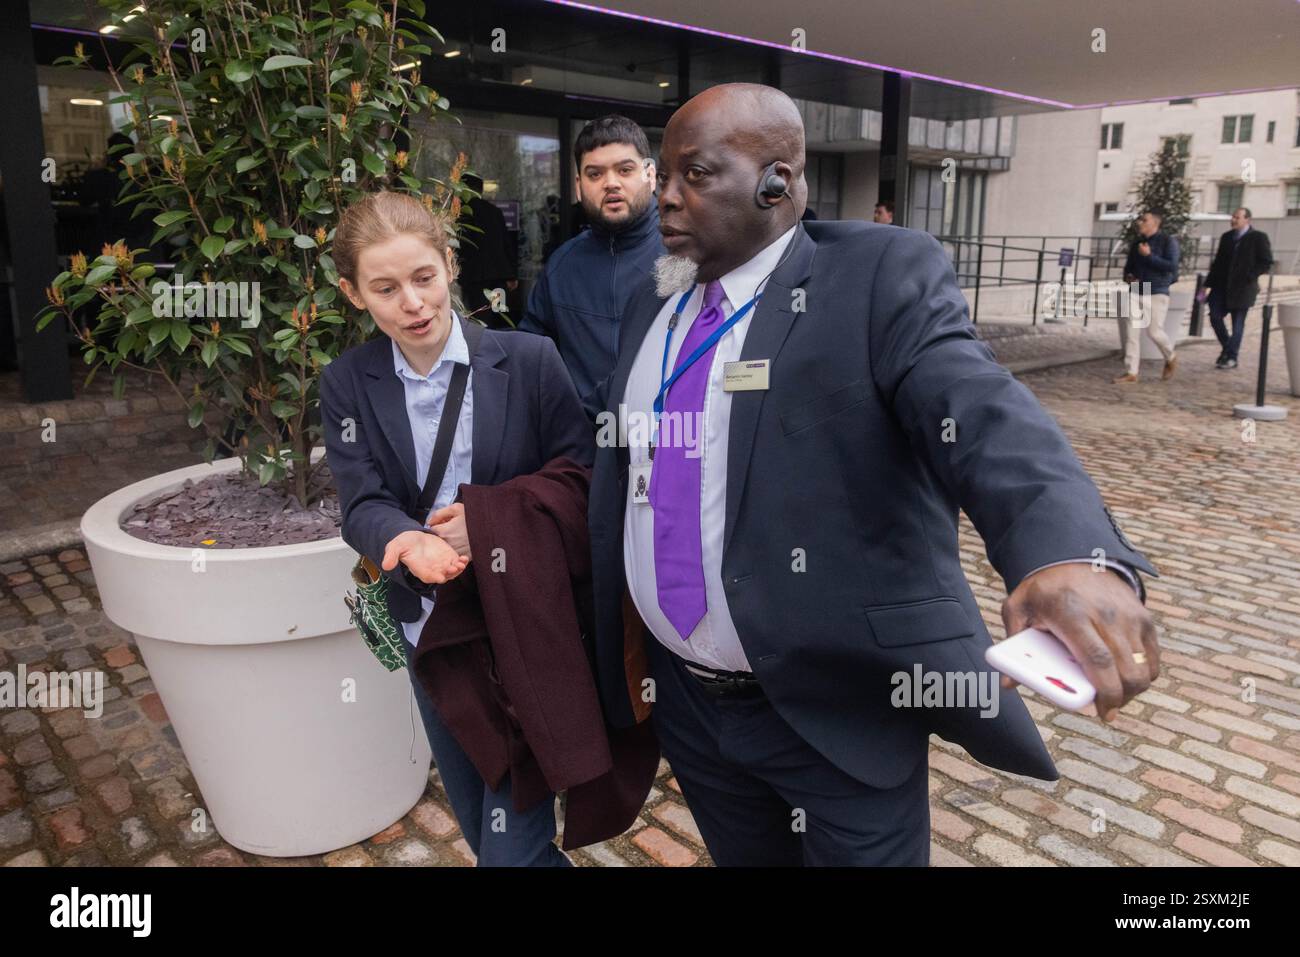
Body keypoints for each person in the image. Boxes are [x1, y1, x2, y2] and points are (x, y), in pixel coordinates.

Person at [585, 83, 1161, 866]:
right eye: (666, 175)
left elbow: (983, 412)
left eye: (697, 174)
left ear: (778, 180)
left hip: (837, 707)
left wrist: (1067, 550)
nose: (668, 199)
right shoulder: (653, 303)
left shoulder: (876, 279)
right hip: (689, 704)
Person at [319, 191, 594, 866]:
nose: (411, 303)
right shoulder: (348, 382)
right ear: (354, 294)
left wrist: (491, 522)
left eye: (423, 278)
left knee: (510, 847)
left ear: (449, 265)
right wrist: (406, 539)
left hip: (525, 624)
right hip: (430, 631)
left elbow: (584, 476)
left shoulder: (529, 361)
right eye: (385, 288)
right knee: (479, 822)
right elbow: (360, 502)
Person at [518, 115, 665, 408]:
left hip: (670, 437)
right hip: (586, 441)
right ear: (578, 185)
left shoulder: (690, 254)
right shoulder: (562, 266)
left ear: (649, 174)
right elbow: (530, 355)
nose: (611, 183)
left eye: (625, 170)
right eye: (595, 174)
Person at [1113, 209, 1178, 384]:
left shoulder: (1167, 241)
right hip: (1137, 288)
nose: (1140, 222)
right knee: (1131, 332)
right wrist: (1128, 276)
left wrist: (1149, 256)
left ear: (1155, 223)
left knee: (1154, 332)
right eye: (1140, 219)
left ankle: (1170, 356)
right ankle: (1131, 372)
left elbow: (1171, 266)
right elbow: (1129, 267)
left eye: (1144, 220)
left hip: (1156, 289)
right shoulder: (1137, 242)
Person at [1204, 207, 1274, 369]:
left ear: (1247, 219)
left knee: (1238, 324)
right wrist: (1206, 285)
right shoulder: (1227, 237)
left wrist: (1250, 276)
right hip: (1221, 287)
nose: (1233, 220)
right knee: (1214, 317)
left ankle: (1230, 357)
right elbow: (1218, 263)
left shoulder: (1258, 237)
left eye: (1237, 217)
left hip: (1243, 289)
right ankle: (1228, 349)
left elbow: (1266, 262)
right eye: (1233, 217)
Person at [455, 173, 517, 331]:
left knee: (478, 320)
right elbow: (506, 243)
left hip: (474, 276)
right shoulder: (493, 211)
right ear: (481, 190)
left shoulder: (460, 213)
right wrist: (511, 274)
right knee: (498, 314)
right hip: (497, 275)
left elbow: (460, 245)